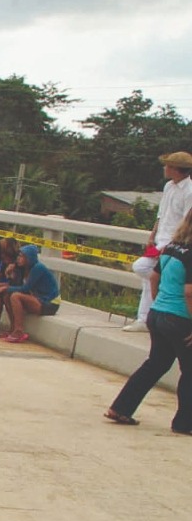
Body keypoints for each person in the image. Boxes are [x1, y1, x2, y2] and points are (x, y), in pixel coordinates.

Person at [106, 210, 192, 432]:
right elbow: (189, 292)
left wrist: (157, 305)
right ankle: (184, 423)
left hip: (158, 313)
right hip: (181, 317)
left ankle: (121, 407)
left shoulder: (171, 247)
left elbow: (154, 277)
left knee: (155, 364)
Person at [127, 151, 192, 332]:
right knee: (148, 274)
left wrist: (174, 245)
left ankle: (146, 316)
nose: (165, 168)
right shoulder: (168, 186)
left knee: (143, 268)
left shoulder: (189, 191)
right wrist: (152, 235)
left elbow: (187, 221)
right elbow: (161, 214)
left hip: (173, 242)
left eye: (168, 165)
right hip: (160, 239)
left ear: (175, 169)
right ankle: (144, 317)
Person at [0, 244, 61, 342]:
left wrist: (5, 288)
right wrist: (10, 274)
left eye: (21, 256)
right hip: (38, 298)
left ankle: (19, 331)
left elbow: (25, 289)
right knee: (7, 296)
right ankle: (13, 328)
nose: (18, 259)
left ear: (29, 257)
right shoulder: (23, 268)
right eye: (18, 256)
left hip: (49, 303)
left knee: (15, 296)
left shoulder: (38, 268)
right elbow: (14, 285)